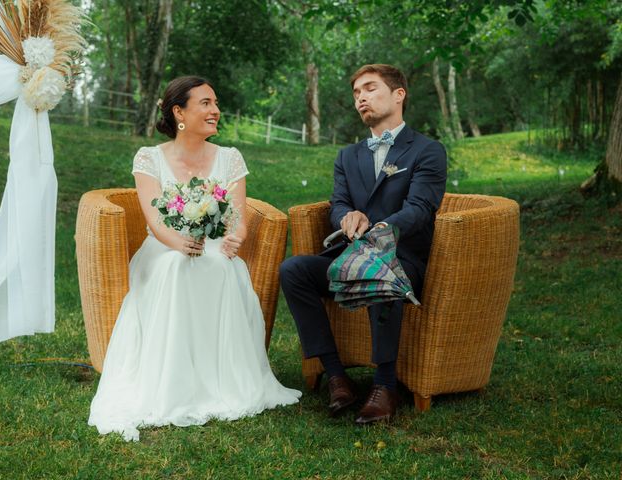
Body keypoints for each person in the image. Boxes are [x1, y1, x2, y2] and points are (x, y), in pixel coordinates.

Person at [88, 76, 301, 441]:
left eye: (215, 102)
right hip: (164, 247)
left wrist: (236, 237)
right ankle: (171, 382)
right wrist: (178, 242)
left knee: (218, 265)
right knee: (176, 266)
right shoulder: (149, 158)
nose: (215, 110)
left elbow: (237, 216)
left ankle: (220, 380)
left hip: (215, 246)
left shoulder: (230, 159)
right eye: (205, 103)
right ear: (179, 112)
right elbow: (154, 220)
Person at [280, 64, 447, 425]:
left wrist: (381, 226)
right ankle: (337, 377)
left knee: (382, 273)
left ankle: (384, 386)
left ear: (398, 94)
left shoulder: (427, 151)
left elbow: (420, 209)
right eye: (357, 93)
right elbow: (338, 202)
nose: (361, 98)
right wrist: (345, 216)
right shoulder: (348, 156)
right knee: (293, 270)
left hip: (401, 259)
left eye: (370, 89)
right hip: (349, 256)